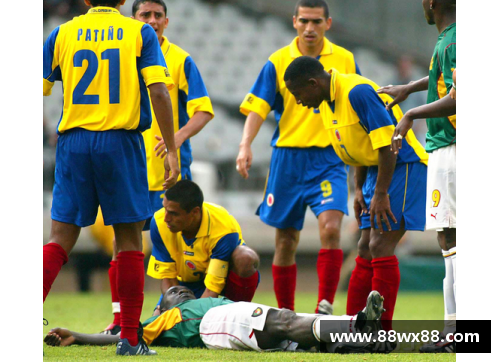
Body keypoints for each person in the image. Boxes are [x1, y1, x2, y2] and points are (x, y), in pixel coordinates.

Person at [42, 0, 180, 355]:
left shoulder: (61, 33)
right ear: (122, 2)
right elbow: (159, 90)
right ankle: (130, 340)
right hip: (121, 141)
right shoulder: (139, 32)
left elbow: (39, 89)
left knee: (59, 239)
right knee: (130, 237)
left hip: (73, 141)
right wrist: (173, 150)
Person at [284, 56, 428, 331]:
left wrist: (381, 193)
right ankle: (352, 327)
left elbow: (387, 144)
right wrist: (360, 189)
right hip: (375, 172)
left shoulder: (356, 92)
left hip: (403, 165)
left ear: (313, 83)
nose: (298, 100)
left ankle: (381, 332)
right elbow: (358, 147)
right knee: (364, 248)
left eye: (298, 93)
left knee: (380, 246)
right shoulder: (326, 103)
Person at [236, 0, 361, 314]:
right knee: (286, 241)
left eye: (317, 21)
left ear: (327, 24)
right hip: (287, 160)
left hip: (330, 158)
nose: (310, 28)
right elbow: (258, 107)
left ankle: (325, 306)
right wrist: (245, 144)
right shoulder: (277, 61)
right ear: (294, 21)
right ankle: (287, 315)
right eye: (304, 20)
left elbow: (358, 99)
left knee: (331, 230)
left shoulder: (344, 59)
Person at [98, 0, 215, 336]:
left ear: (167, 20)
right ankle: (120, 319)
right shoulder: (121, 56)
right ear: (133, 19)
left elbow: (203, 111)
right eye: (144, 15)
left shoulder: (181, 59)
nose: (151, 20)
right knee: (123, 245)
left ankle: (184, 315)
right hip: (130, 164)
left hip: (170, 170)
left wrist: (174, 140)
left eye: (156, 15)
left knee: (182, 245)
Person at [376, 0, 456, 353]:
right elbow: (441, 76)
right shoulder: (450, 39)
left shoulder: (454, 40)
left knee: (452, 241)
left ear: (432, 3)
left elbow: (459, 96)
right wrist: (410, 88)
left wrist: (411, 114)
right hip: (448, 147)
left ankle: (457, 332)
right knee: (450, 241)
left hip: (452, 146)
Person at [44, 286, 386, 354]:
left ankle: (363, 340)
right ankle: (355, 325)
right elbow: (127, 338)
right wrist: (79, 336)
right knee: (283, 320)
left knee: (290, 324)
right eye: (172, 292)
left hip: (230, 316)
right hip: (214, 325)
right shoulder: (170, 318)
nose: (178, 290)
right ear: (162, 308)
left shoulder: (203, 301)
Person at [147, 180, 260, 311]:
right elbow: (168, 280)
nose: (166, 218)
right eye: (165, 209)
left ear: (195, 212)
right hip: (185, 286)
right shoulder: (159, 222)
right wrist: (173, 311)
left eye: (173, 213)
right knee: (157, 320)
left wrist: (191, 318)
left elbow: (212, 290)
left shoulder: (223, 228)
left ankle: (236, 315)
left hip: (224, 283)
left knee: (245, 257)